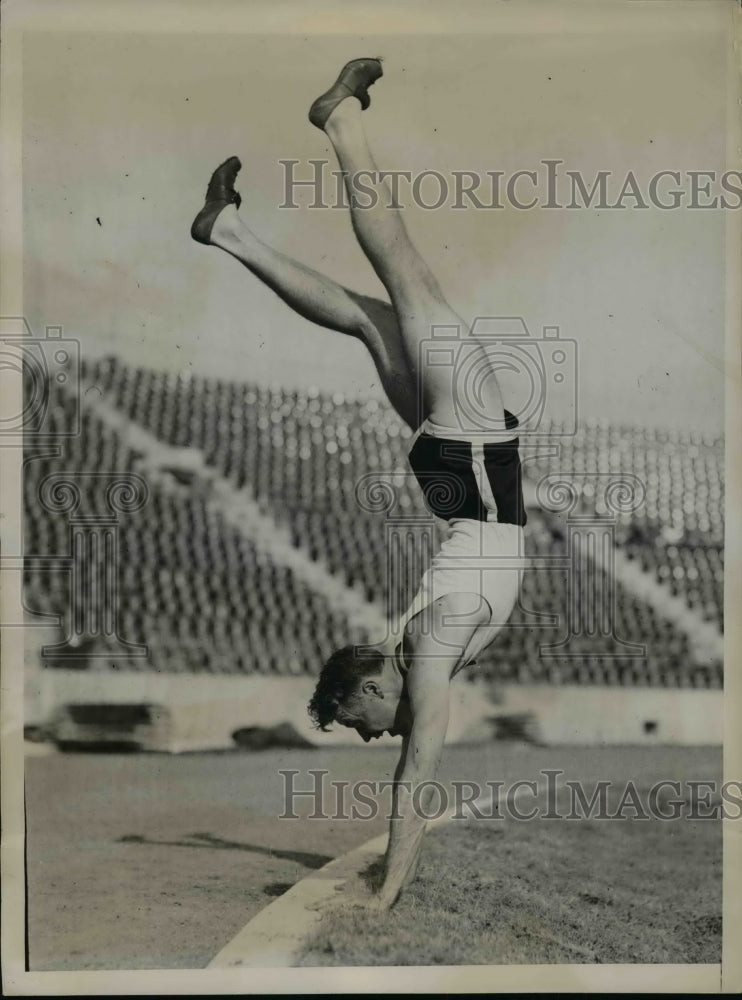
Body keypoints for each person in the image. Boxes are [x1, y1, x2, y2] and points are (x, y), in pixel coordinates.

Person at [192, 58, 527, 911]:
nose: (364, 734)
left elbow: (416, 775)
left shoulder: (426, 657)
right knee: (374, 318)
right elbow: (414, 756)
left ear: (377, 685)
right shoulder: (418, 652)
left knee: (403, 278)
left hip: (471, 462)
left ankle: (338, 124)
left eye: (354, 718)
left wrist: (385, 892)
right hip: (458, 479)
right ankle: (230, 233)